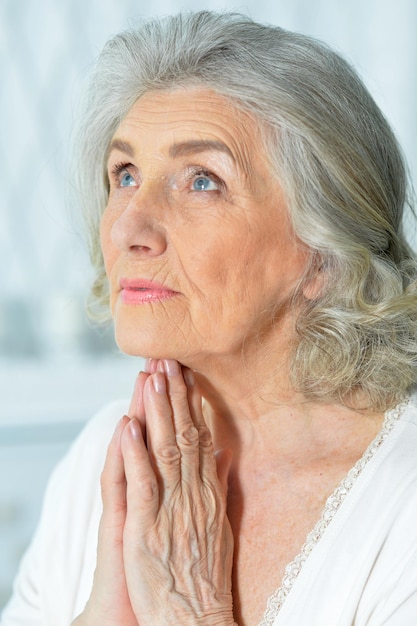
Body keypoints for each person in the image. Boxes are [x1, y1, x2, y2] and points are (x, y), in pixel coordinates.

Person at [2, 10, 417, 626]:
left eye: (202, 181)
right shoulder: (101, 459)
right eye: (126, 174)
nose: (126, 227)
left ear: (324, 255)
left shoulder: (403, 507)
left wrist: (188, 612)